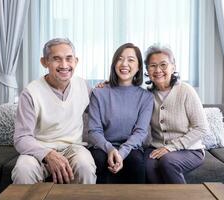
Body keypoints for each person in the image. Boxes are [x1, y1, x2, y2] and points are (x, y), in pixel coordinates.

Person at [12, 38, 96, 184]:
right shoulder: (31, 92)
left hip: (73, 148)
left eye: (69, 59)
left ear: (75, 61)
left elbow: (103, 111)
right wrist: (47, 154)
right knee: (23, 170)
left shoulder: (84, 86)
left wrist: (108, 87)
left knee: (85, 166)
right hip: (39, 148)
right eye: (56, 59)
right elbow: (22, 137)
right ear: (44, 62)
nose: (64, 65)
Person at [88, 43, 153, 183]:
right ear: (114, 64)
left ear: (139, 67)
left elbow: (140, 132)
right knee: (98, 160)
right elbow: (94, 131)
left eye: (131, 60)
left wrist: (121, 153)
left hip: (131, 147)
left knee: (136, 162)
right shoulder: (98, 93)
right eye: (120, 59)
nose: (124, 64)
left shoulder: (146, 97)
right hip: (102, 145)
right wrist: (110, 149)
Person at [144, 44, 209, 183]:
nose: (158, 70)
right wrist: (108, 84)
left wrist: (171, 147)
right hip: (157, 147)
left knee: (168, 161)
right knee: (147, 166)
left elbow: (202, 128)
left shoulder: (186, 90)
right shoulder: (147, 95)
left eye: (163, 65)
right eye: (152, 66)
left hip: (189, 149)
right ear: (147, 70)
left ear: (173, 67)